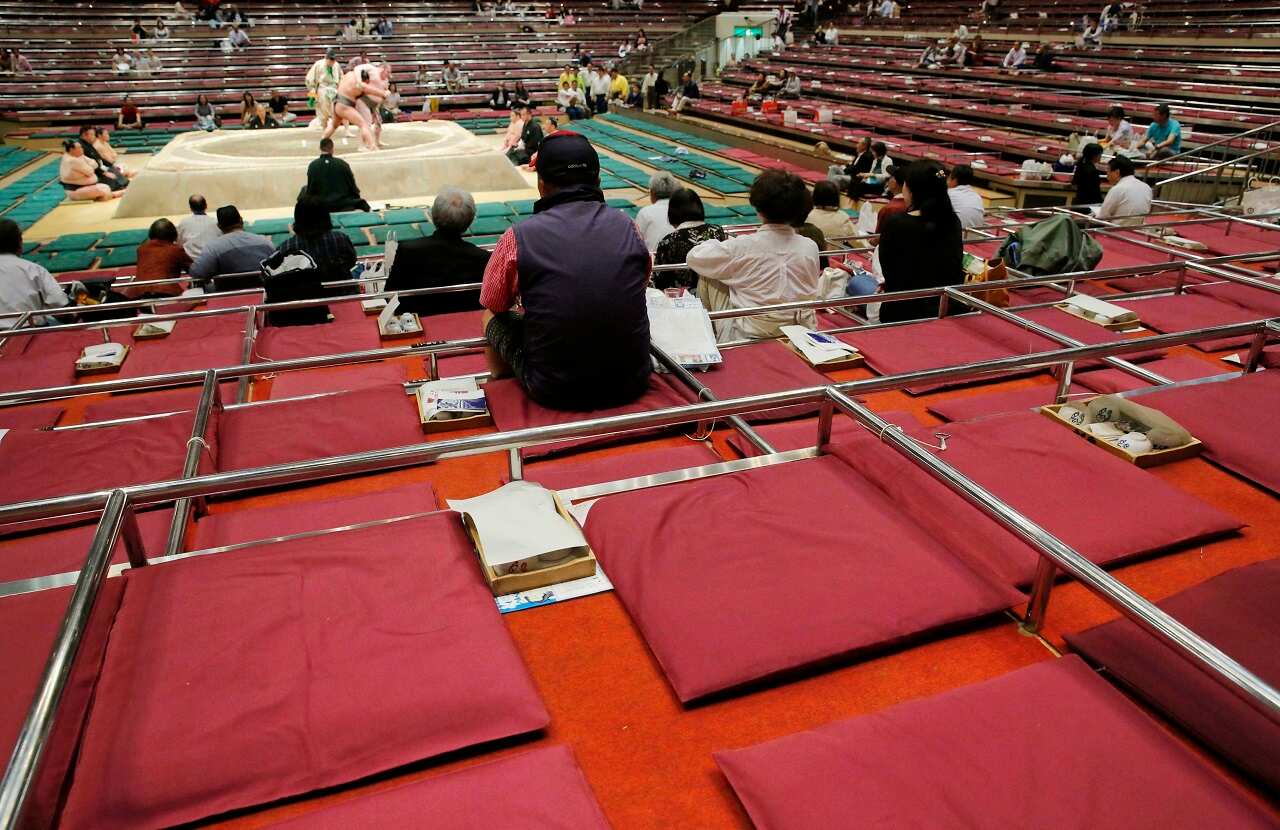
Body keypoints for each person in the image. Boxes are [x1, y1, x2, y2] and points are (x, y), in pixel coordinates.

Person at [480, 131, 652, 410]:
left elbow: (494, 302)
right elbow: (640, 282)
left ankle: (499, 378)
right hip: (632, 381)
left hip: (554, 389)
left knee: (491, 316)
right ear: (597, 181)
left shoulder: (517, 237)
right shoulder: (628, 226)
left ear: (541, 185)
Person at [687, 169, 821, 341]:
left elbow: (694, 257)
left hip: (750, 333)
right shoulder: (810, 247)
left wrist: (717, 243)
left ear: (758, 208)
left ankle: (704, 338)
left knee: (709, 273)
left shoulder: (742, 246)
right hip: (800, 330)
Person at [876, 161, 962, 323]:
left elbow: (889, 269)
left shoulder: (896, 223)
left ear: (911, 190)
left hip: (903, 311)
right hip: (945, 308)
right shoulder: (953, 221)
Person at [385, 187, 491, 316]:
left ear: (433, 215)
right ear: (470, 220)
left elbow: (389, 295)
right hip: (465, 328)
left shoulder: (408, 250)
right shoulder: (483, 258)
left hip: (418, 327)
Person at [274, 196, 357, 289]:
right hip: (345, 296)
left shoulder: (285, 248)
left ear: (297, 218)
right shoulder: (341, 239)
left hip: (304, 300)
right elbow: (351, 262)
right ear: (326, 216)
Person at [653, 188, 726, 292]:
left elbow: (659, 282)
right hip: (716, 295)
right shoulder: (717, 231)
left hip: (682, 302)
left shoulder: (668, 241)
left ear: (672, 212)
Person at [0, 219, 69, 327]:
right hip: (29, 333)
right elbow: (59, 302)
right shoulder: (33, 269)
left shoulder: (33, 269)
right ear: (19, 243)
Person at [189, 205, 275, 284]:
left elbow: (197, 273)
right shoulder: (265, 242)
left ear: (219, 226)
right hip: (263, 293)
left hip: (228, 296)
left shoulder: (213, 247)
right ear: (241, 220)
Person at [122, 218, 191, 299]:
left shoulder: (141, 249)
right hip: (166, 294)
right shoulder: (176, 250)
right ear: (173, 234)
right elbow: (195, 270)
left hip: (140, 296)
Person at [302, 137, 370, 212]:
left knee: (304, 190)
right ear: (332, 148)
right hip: (342, 204)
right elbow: (353, 187)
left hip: (320, 205)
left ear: (320, 148)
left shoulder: (313, 166)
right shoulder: (343, 164)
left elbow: (310, 190)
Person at [1097, 154, 1152, 224]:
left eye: (1108, 171)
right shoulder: (1147, 187)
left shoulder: (1117, 189)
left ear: (1117, 172)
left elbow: (1102, 217)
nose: (1107, 175)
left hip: (1115, 231)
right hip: (1138, 230)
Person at [635, 171, 680, 252]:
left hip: (654, 261)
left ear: (652, 193)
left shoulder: (645, 212)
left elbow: (636, 242)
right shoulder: (683, 209)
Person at [306, 48, 342, 132]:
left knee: (336, 110)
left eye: (333, 59)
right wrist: (312, 94)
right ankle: (324, 128)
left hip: (334, 88)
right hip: (322, 88)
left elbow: (341, 77)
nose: (332, 62)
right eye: (330, 59)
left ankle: (334, 128)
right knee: (323, 111)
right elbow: (309, 79)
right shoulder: (318, 64)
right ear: (326, 58)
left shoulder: (336, 65)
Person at [178, 194, 220, 259]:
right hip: (212, 260)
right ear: (206, 206)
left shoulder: (184, 223)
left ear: (191, 208)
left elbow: (179, 243)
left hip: (191, 261)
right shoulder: (216, 222)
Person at [946, 164, 985, 230]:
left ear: (954, 180)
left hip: (956, 237)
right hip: (976, 236)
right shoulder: (977, 196)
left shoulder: (948, 194)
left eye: (949, 178)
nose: (947, 181)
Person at [874, 164, 909, 234]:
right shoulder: (916, 207)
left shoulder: (889, 209)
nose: (888, 180)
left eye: (890, 177)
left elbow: (877, 239)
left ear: (894, 182)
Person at [1073, 142, 1104, 207]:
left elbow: (1074, 182)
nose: (1101, 156)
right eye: (1100, 154)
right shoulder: (1092, 171)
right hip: (1089, 203)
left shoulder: (1081, 165)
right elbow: (1095, 191)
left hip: (1079, 200)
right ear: (1094, 155)